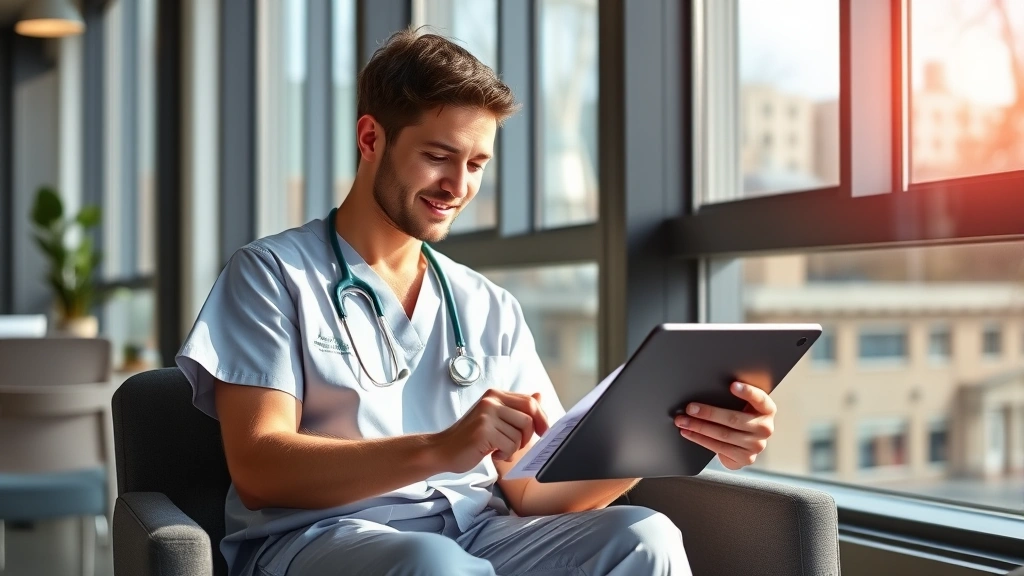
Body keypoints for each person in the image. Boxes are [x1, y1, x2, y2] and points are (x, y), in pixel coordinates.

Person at [177, 29, 777, 576]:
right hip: (320, 540)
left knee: (644, 536)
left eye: (477, 164)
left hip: (478, 535)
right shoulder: (272, 274)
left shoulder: (487, 305)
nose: (458, 187)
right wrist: (444, 448)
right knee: (434, 565)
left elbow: (530, 490)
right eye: (437, 157)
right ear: (370, 138)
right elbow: (259, 468)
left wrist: (674, 434)